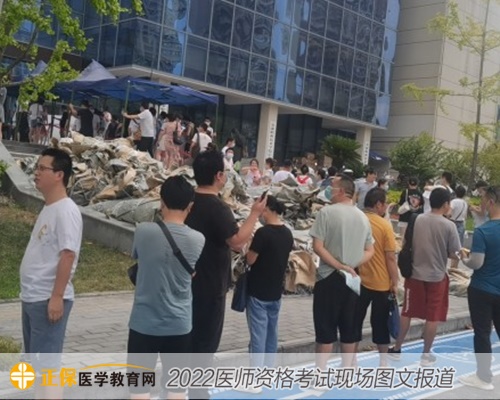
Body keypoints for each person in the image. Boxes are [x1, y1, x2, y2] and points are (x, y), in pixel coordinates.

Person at [185, 150, 267, 400]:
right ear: (219, 175)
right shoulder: (217, 208)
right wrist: (255, 213)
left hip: (184, 281)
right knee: (204, 343)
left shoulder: (186, 200)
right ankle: (198, 393)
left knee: (184, 341)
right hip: (210, 285)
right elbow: (237, 241)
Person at [127, 176, 205, 400]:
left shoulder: (143, 231)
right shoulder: (198, 239)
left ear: (161, 201)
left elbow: (138, 257)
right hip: (179, 324)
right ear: (190, 206)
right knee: (176, 389)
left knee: (139, 388)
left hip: (143, 323)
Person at [20, 148, 82, 399]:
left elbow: (68, 255)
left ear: (59, 175)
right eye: (37, 167)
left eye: (42, 168)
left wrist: (56, 297)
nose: (36, 172)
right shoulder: (50, 208)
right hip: (33, 297)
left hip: (47, 299)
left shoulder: (66, 210)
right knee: (39, 368)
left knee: (49, 370)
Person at [388, 188, 462, 366]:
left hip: (414, 274)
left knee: (407, 312)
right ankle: (425, 355)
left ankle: (397, 348)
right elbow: (455, 253)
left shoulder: (417, 219)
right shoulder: (449, 226)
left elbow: (407, 242)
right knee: (432, 317)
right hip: (437, 277)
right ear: (445, 204)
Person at [310, 174, 374, 370]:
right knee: (349, 328)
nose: (329, 189)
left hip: (328, 277)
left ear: (341, 191)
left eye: (333, 186)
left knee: (325, 331)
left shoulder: (326, 213)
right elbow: (370, 250)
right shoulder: (363, 217)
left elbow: (318, 246)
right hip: (352, 278)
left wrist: (339, 265)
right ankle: (347, 370)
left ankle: (320, 373)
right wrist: (351, 264)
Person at [245, 195, 294, 368]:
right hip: (275, 291)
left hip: (258, 291)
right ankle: (269, 369)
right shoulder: (287, 233)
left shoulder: (263, 233)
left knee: (258, 336)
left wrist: (248, 246)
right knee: (271, 334)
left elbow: (250, 260)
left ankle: (256, 373)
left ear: (267, 209)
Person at [460, 186, 500, 391]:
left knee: (483, 333)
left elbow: (477, 262)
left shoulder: (483, 231)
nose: (481, 205)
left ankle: (484, 377)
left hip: (482, 289)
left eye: (483, 201)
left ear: (491, 202)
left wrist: (463, 259)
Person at [354, 188, 398, 366]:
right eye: (385, 203)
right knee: (380, 324)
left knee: (354, 321)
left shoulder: (357, 220)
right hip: (381, 283)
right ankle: (383, 362)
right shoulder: (384, 225)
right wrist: (395, 282)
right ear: (378, 204)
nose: (386, 207)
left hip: (358, 280)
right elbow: (390, 258)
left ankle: (351, 360)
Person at [449, 185, 468, 269]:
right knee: (458, 246)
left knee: (450, 245)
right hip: (461, 224)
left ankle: (451, 266)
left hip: (453, 223)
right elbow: (465, 216)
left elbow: (449, 213)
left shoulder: (453, 202)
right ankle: (455, 266)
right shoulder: (465, 203)